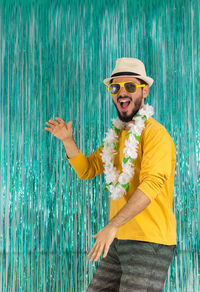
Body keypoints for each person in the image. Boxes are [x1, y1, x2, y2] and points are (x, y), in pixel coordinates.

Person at [44, 58, 177, 291]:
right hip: (117, 241)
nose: (122, 92)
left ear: (144, 91)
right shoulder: (115, 138)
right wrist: (67, 141)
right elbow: (86, 170)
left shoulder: (156, 135)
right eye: (116, 87)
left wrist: (112, 225)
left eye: (130, 86)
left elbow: (151, 185)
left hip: (149, 242)